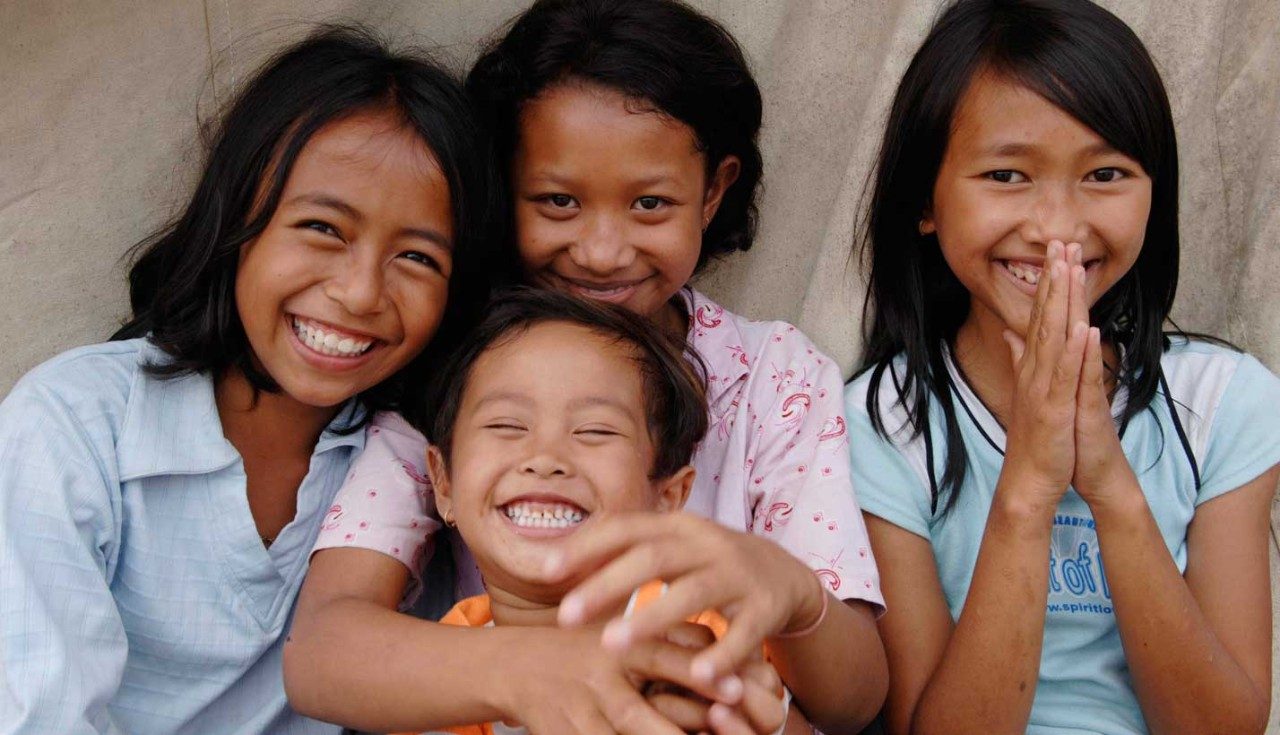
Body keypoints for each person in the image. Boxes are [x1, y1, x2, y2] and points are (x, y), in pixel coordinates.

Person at [285, 1, 887, 733]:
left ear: (715, 189)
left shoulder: (773, 378)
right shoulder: (462, 372)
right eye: (558, 201)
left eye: (650, 203)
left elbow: (855, 704)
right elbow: (321, 649)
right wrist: (540, 668)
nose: (603, 250)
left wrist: (792, 593)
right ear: (504, 189)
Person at [0, 26, 492, 734]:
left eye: (417, 257)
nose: (359, 293)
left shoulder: (418, 469)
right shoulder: (75, 426)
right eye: (323, 227)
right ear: (237, 223)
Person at [844, 1, 1279, 733]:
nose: (1057, 230)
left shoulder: (1223, 403)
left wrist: (1108, 483)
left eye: (1105, 173)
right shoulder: (881, 422)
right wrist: (1030, 484)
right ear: (925, 199)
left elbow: (1223, 726)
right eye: (1007, 175)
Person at [406, 288, 798, 735]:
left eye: (595, 431)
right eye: (506, 425)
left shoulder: (702, 636)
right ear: (443, 483)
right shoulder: (436, 666)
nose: (545, 457)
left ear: (667, 499)